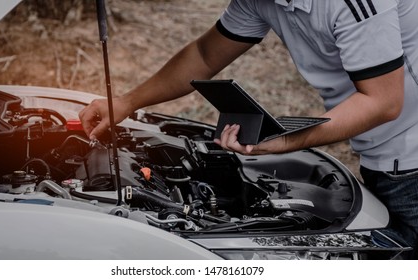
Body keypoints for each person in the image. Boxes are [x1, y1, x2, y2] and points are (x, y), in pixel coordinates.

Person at [79, 0, 418, 258]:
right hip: (384, 154)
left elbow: (383, 101)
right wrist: (126, 102)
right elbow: (204, 54)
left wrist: (286, 142)